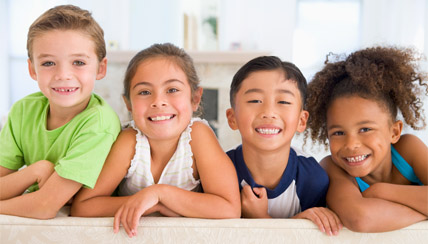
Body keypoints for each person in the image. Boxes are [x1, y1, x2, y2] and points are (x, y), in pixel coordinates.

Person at [71, 43, 241, 237]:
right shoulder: (130, 142)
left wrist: (160, 194)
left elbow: (229, 208)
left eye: (172, 90)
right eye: (144, 92)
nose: (158, 101)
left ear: (195, 98)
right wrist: (152, 205)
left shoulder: (197, 136)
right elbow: (83, 206)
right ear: (128, 104)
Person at [0, 5, 121, 219]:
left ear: (100, 68)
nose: (63, 75)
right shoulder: (23, 111)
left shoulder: (98, 123)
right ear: (32, 69)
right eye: (48, 63)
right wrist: (36, 171)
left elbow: (45, 206)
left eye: (78, 62)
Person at [305, 46, 428, 232]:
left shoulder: (408, 148)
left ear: (394, 132)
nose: (351, 144)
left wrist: (381, 191)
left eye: (365, 129)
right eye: (338, 133)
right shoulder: (332, 168)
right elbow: (361, 219)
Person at [226, 56, 342, 236]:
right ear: (232, 118)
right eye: (255, 101)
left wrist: (260, 217)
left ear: (301, 120)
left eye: (283, 102)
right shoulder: (219, 170)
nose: (269, 113)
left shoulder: (312, 179)